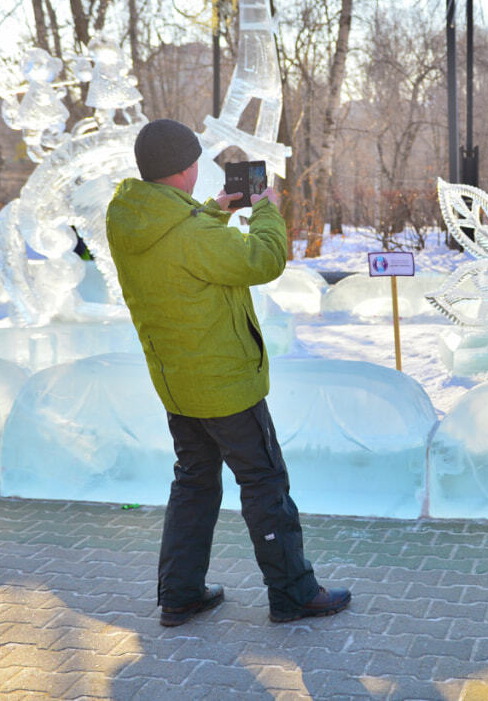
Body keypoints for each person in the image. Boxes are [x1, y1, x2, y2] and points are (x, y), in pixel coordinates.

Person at [105, 118, 350, 627]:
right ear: (187, 168)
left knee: (194, 483)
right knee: (264, 484)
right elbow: (262, 260)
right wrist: (266, 213)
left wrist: (217, 209)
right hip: (226, 385)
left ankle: (180, 595)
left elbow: (182, 238)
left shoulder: (129, 218)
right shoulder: (191, 233)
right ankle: (293, 593)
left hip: (177, 384)